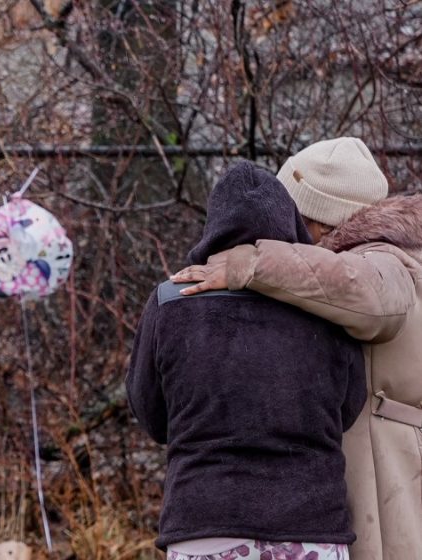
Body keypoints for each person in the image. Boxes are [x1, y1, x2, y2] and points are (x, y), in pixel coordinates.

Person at [171, 138, 422, 560]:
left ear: (320, 220)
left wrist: (252, 264)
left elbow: (372, 296)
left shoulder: (387, 260)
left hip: (387, 479)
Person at [127, 161, 367, 560]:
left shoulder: (169, 301)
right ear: (289, 222)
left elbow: (151, 414)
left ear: (214, 225)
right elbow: (349, 407)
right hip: (311, 525)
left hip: (204, 522)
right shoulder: (325, 304)